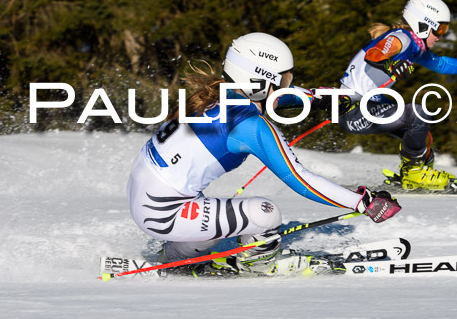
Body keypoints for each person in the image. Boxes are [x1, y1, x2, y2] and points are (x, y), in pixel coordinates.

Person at [127, 32, 401, 276]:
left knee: (219, 219)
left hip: (148, 199)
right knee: (264, 214)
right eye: (282, 79)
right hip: (164, 213)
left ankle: (177, 257)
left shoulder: (217, 93)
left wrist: (329, 99)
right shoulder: (249, 126)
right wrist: (363, 202)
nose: (286, 85)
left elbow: (285, 96)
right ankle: (259, 264)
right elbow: (301, 180)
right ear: (258, 80)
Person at [320, 0, 457, 191]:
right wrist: (392, 64)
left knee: (423, 138)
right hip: (354, 110)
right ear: (423, 24)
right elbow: (375, 54)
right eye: (439, 29)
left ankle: (415, 175)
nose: (441, 35)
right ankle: (415, 174)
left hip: (369, 107)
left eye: (445, 30)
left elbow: (440, 63)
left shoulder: (414, 46)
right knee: (416, 114)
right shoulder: (400, 38)